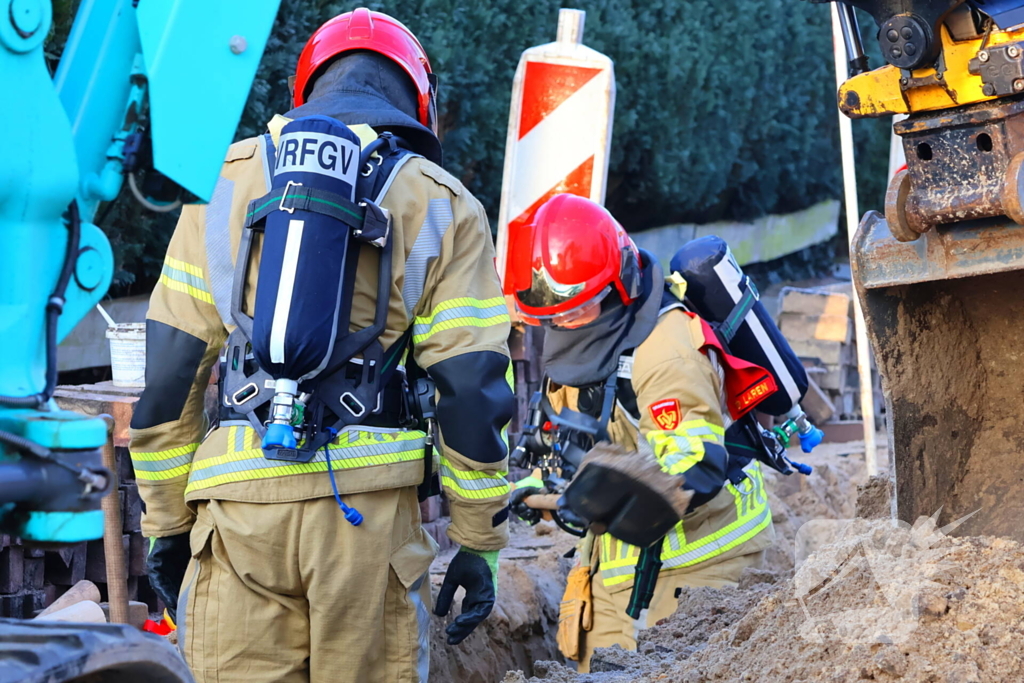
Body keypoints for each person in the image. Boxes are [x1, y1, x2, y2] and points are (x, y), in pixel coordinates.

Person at [129, 10, 514, 683]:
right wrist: (479, 538)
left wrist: (164, 524)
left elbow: (169, 376)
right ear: (418, 99)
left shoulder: (221, 185)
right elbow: (472, 388)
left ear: (303, 86)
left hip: (238, 515)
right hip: (369, 523)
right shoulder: (444, 203)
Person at [508, 194, 774, 672]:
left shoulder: (663, 351)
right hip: (618, 567)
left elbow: (694, 466)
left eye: (572, 312)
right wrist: (541, 487)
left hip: (698, 572)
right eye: (551, 318)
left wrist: (592, 502)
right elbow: (573, 439)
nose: (561, 325)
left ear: (616, 289)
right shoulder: (582, 341)